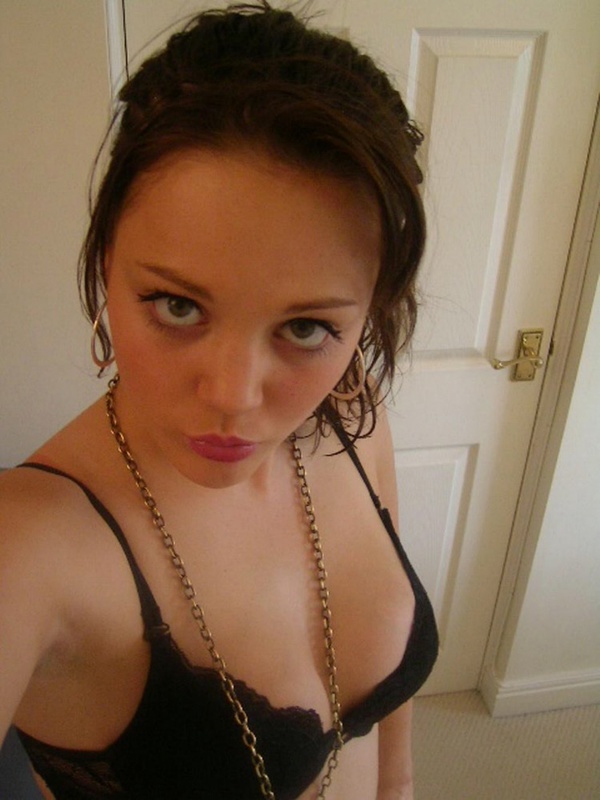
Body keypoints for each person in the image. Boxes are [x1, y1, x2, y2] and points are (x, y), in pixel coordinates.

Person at [0, 2, 438, 798]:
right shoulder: (27, 546)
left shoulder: (351, 415)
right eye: (177, 306)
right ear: (105, 263)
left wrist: (400, 784)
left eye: (306, 327)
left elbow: (386, 718)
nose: (233, 397)